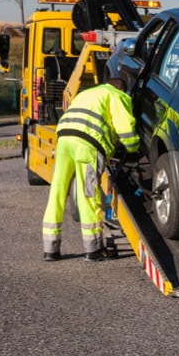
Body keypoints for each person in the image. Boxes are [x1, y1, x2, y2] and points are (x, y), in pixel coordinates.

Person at [42, 78, 140, 262]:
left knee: (57, 191)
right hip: (87, 144)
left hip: (63, 138)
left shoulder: (87, 93)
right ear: (121, 89)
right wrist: (134, 147)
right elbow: (125, 128)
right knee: (88, 194)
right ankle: (93, 250)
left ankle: (50, 250)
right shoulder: (118, 96)